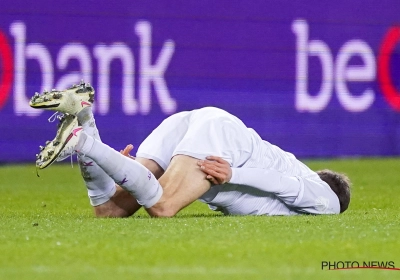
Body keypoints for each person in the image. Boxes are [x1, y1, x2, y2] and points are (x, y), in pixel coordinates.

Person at [30, 81, 351, 217]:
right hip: (224, 142)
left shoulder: (288, 185)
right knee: (164, 206)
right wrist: (233, 172)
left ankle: (84, 119)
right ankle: (81, 142)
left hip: (197, 123)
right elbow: (287, 186)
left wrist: (127, 170)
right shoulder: (328, 202)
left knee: (111, 210)